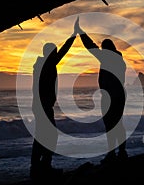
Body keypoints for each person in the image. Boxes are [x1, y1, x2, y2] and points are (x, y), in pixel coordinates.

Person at [74, 17, 128, 163]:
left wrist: (80, 32)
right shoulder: (119, 59)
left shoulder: (107, 58)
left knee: (110, 124)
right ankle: (122, 152)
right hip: (120, 94)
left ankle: (112, 154)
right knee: (118, 123)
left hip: (110, 95)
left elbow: (91, 46)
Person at [30, 25, 77, 180]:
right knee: (50, 136)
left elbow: (61, 53)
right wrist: (73, 36)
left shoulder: (42, 64)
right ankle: (42, 166)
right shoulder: (46, 64)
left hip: (40, 105)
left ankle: (39, 167)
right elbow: (63, 52)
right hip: (43, 106)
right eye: (54, 53)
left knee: (42, 136)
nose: (57, 55)